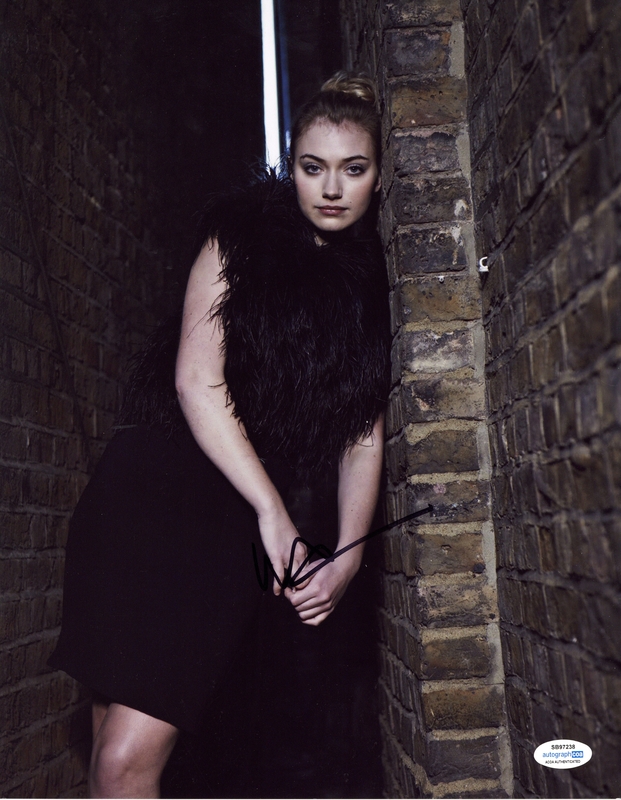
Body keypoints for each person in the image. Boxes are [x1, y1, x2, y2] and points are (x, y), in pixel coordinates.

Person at [50, 71, 390, 798]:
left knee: (120, 762)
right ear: (291, 166)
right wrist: (276, 513)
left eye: (353, 169)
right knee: (110, 750)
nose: (331, 188)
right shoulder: (238, 234)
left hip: (222, 526)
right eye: (313, 167)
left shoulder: (373, 291)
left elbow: (362, 435)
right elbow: (195, 380)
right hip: (146, 491)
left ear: (378, 176)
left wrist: (349, 556)